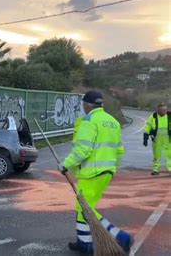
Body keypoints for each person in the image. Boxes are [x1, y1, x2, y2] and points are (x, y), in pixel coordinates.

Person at [58, 90, 133, 254]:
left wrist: (65, 165)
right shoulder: (113, 121)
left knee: (85, 209)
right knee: (83, 208)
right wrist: (112, 169)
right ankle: (83, 242)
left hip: (91, 173)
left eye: (83, 105)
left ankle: (119, 236)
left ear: (86, 105)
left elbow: (83, 150)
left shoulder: (89, 120)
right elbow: (119, 151)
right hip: (107, 171)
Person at [143, 102, 171, 175]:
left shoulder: (169, 116)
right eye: (161, 110)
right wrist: (145, 137)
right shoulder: (153, 116)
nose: (163, 111)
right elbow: (147, 126)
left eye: (164, 110)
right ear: (158, 110)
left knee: (169, 155)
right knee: (156, 155)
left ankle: (170, 169)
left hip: (168, 139)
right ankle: (156, 170)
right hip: (156, 139)